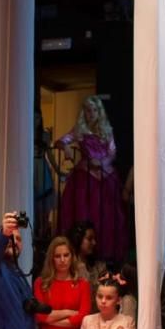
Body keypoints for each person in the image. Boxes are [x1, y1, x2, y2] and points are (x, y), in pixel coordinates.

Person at [56, 96, 127, 262]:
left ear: (99, 112)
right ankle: (80, 253)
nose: (91, 113)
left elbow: (112, 152)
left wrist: (101, 163)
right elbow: (60, 141)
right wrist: (66, 147)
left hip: (106, 177)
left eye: (95, 110)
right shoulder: (79, 130)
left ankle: (106, 254)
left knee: (108, 216)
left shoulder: (107, 130)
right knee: (83, 212)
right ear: (84, 112)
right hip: (85, 177)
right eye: (88, 110)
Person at [67, 220, 109, 303]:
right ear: (78, 239)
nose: (94, 243)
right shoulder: (68, 266)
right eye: (89, 239)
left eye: (94, 239)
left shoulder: (99, 266)